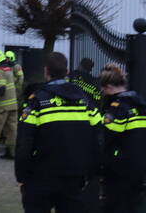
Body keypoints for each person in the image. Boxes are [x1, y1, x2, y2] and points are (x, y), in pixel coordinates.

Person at [15, 51, 100, 213]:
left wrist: (22, 177)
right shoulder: (84, 100)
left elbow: (24, 143)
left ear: (46, 71)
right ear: (67, 72)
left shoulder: (37, 100)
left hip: (40, 176)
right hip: (74, 176)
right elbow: (98, 137)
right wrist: (92, 171)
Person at [99, 64, 146, 213]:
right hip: (139, 167)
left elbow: (105, 139)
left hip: (119, 170)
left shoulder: (117, 109)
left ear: (109, 86)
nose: (103, 93)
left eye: (103, 89)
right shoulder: (142, 106)